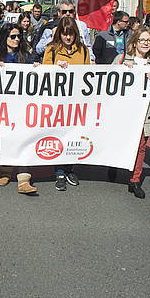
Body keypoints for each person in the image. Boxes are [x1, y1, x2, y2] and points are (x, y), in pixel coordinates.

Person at [109, 27, 150, 199]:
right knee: (118, 140)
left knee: (141, 147)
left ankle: (135, 180)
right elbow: (108, 79)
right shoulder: (122, 58)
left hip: (145, 110)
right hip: (124, 110)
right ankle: (114, 164)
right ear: (135, 42)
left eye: (149, 41)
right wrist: (122, 68)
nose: (146, 43)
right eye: (142, 40)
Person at [42, 17, 90, 191]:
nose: (68, 38)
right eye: (64, 34)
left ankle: (70, 168)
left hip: (76, 101)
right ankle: (59, 172)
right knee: (58, 135)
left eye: (71, 34)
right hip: (57, 101)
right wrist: (56, 67)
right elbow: (44, 74)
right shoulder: (51, 50)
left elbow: (88, 74)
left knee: (74, 135)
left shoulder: (83, 51)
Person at [0, 23, 38, 194]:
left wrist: (37, 68)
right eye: (13, 36)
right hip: (3, 106)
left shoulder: (26, 56)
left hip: (22, 106)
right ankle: (6, 172)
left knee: (23, 139)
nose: (17, 39)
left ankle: (23, 178)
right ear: (5, 38)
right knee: (6, 138)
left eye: (19, 36)